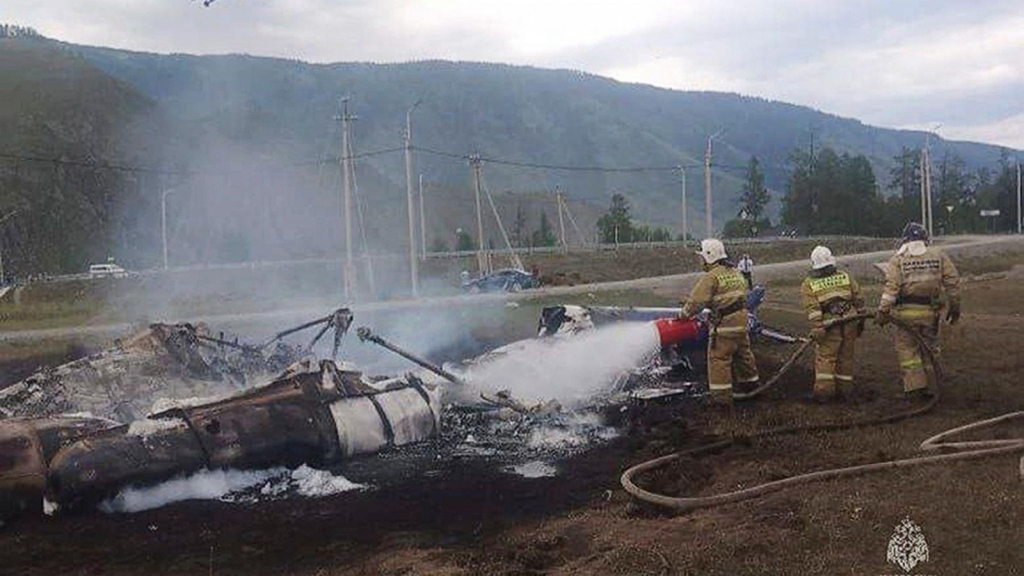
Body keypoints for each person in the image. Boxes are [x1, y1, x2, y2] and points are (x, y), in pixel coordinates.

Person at [876, 222, 960, 399]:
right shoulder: (939, 256)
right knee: (930, 349)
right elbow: (952, 282)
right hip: (930, 314)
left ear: (905, 240)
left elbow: (891, 289)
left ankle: (915, 388)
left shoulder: (898, 260)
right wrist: (954, 307)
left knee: (908, 352)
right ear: (925, 239)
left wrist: (883, 312)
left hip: (906, 315)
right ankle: (933, 385)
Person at [680, 239, 760, 408]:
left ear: (710, 257)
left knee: (719, 359)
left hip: (725, 326)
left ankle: (721, 399)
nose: (700, 260)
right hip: (741, 323)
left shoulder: (711, 276)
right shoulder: (735, 272)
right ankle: (752, 387)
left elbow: (697, 301)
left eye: (702, 257)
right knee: (743, 355)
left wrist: (684, 314)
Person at [799, 246, 864, 402]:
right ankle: (845, 391)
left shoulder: (808, 284)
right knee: (846, 358)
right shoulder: (845, 276)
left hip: (829, 327)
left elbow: (813, 309)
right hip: (849, 322)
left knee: (826, 358)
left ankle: (824, 393)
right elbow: (858, 299)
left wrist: (817, 327)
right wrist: (860, 319)